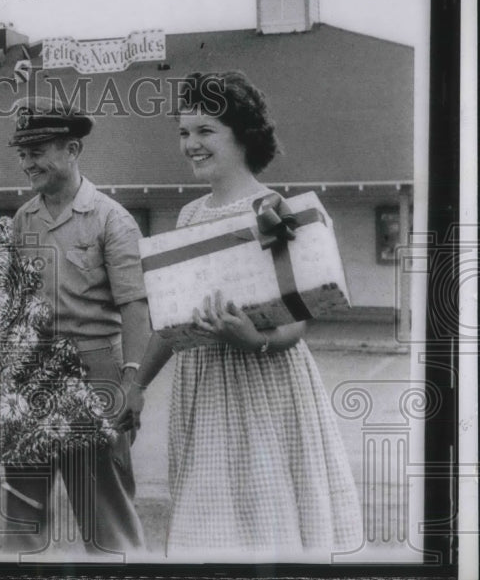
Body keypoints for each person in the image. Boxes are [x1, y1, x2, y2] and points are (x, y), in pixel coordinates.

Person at [133, 70, 362, 552]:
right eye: (183, 132)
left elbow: (297, 320)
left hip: (264, 382)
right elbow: (169, 319)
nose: (190, 143)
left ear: (243, 135)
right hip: (205, 387)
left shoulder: (275, 208)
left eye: (205, 131)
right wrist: (135, 385)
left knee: (264, 513)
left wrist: (253, 340)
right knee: (207, 523)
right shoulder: (188, 216)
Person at [4, 98, 148, 554]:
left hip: (94, 366)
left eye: (39, 150)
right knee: (21, 509)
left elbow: (135, 309)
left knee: (106, 511)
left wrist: (132, 382)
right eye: (23, 153)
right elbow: (13, 303)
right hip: (30, 371)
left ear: (72, 148)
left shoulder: (112, 219)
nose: (29, 163)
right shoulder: (22, 219)